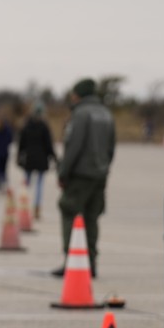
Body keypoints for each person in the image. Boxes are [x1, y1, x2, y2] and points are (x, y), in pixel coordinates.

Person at [53, 78, 116, 278]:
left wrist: (63, 173)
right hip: (100, 175)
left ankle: (73, 260)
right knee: (91, 217)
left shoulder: (80, 114)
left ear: (78, 95)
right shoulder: (106, 113)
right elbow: (111, 148)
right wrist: (104, 168)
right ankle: (91, 262)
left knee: (70, 212)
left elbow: (73, 147)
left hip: (80, 176)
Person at [16, 102, 58, 220]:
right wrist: (54, 157)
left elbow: (21, 144)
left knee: (26, 183)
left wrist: (19, 156)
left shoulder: (26, 125)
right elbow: (48, 145)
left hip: (29, 158)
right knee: (39, 184)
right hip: (41, 159)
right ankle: (36, 208)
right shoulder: (44, 126)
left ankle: (24, 206)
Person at [0, 114, 14, 193]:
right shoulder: (8, 130)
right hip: (5, 152)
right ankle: (4, 183)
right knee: (4, 170)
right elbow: (10, 140)